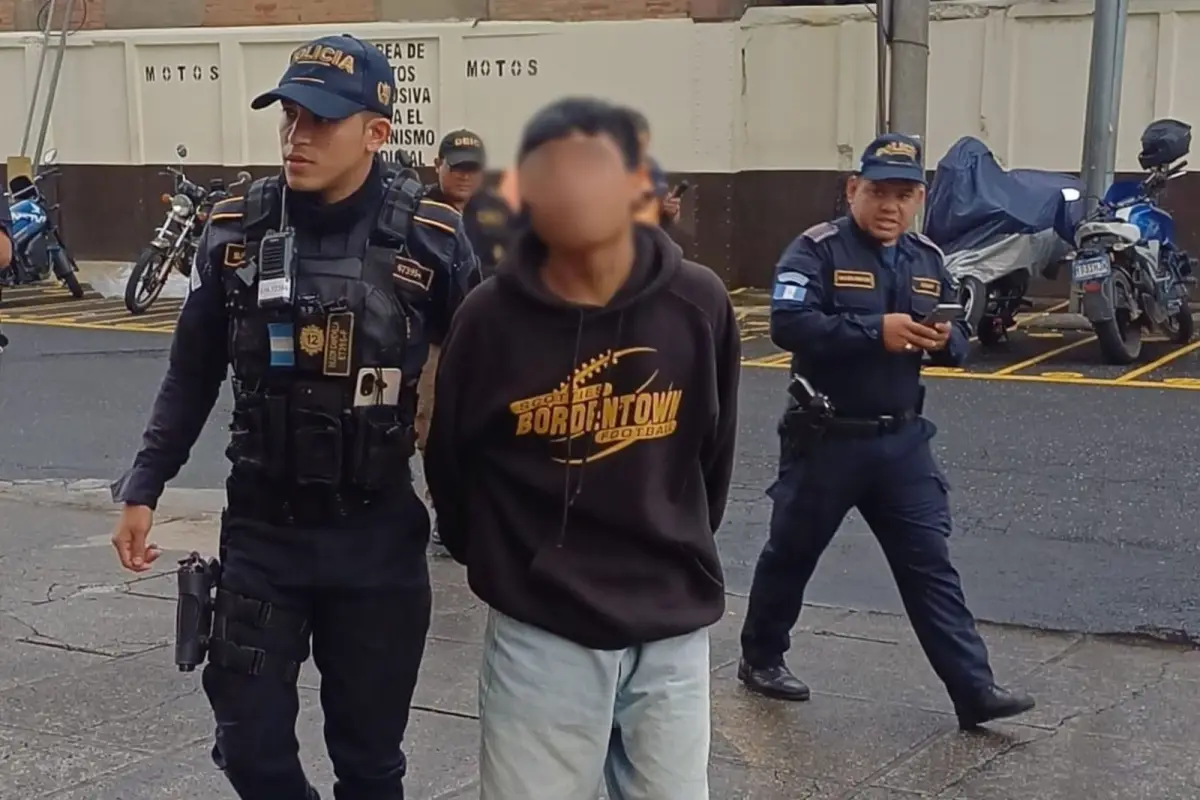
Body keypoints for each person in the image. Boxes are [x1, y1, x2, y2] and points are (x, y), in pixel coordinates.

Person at [108, 34, 478, 800]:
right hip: (263, 531)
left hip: (376, 536)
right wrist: (145, 484)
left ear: (376, 132)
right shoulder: (237, 228)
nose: (296, 136)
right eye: (289, 116)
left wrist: (481, 520)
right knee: (249, 751)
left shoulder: (433, 241)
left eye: (320, 121)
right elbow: (193, 368)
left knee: (370, 763)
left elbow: (479, 386)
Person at [423, 97, 741, 799]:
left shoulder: (699, 303)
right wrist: (513, 563)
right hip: (542, 629)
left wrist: (674, 543)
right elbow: (450, 462)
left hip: (670, 630)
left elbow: (711, 455)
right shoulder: (491, 315)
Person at [736, 132, 1035, 730]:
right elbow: (789, 324)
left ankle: (973, 689)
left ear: (919, 199)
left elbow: (958, 337)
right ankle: (761, 658)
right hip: (826, 438)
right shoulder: (814, 251)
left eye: (904, 194)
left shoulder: (927, 257)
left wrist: (941, 339)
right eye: (877, 191)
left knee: (930, 565)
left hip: (901, 444)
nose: (890, 206)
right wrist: (877, 330)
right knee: (791, 554)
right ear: (853, 190)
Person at [628, 109, 682, 226]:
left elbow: (670, 216)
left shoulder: (653, 168)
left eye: (643, 145)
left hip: (650, 236)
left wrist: (671, 210)